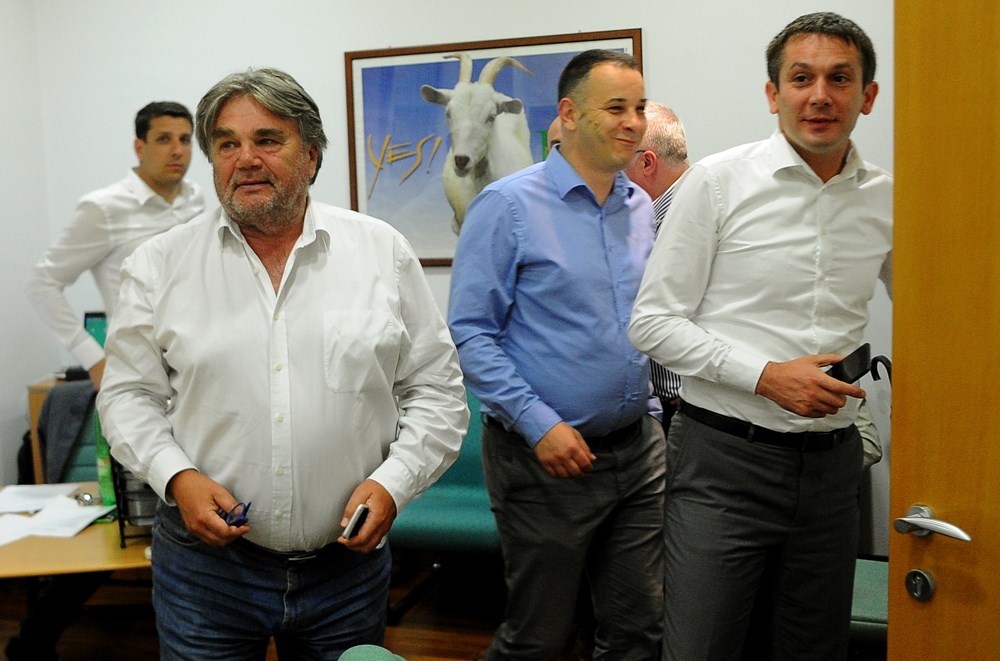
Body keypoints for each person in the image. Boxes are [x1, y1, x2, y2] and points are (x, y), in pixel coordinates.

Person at [96, 68, 469, 659]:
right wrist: (177, 477)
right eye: (226, 144)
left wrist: (393, 482)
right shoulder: (159, 265)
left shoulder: (381, 253)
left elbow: (437, 392)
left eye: (267, 140)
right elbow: (126, 397)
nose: (245, 159)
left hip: (346, 570)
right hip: (205, 574)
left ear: (312, 156)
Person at [628, 12, 891, 660]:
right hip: (724, 464)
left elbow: (938, 319)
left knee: (813, 649)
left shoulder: (889, 199)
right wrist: (767, 376)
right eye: (801, 78)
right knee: (701, 648)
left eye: (839, 78)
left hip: (833, 469)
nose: (820, 95)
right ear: (774, 94)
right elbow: (652, 324)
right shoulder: (716, 183)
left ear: (868, 96)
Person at [449, 50, 665, 660]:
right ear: (568, 114)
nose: (633, 122)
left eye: (639, 108)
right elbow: (470, 334)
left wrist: (650, 414)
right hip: (542, 462)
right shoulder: (507, 206)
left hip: (637, 454)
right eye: (616, 107)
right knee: (539, 638)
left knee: (639, 631)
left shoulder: (639, 206)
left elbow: (641, 323)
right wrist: (540, 424)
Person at [26, 101, 204, 389]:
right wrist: (93, 359)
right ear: (139, 147)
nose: (177, 150)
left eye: (185, 140)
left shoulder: (194, 198)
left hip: (196, 365)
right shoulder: (104, 208)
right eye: (163, 139)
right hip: (137, 371)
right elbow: (41, 284)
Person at [623, 102, 689, 421]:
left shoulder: (678, 225)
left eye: (618, 158)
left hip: (685, 410)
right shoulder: (699, 205)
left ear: (647, 162)